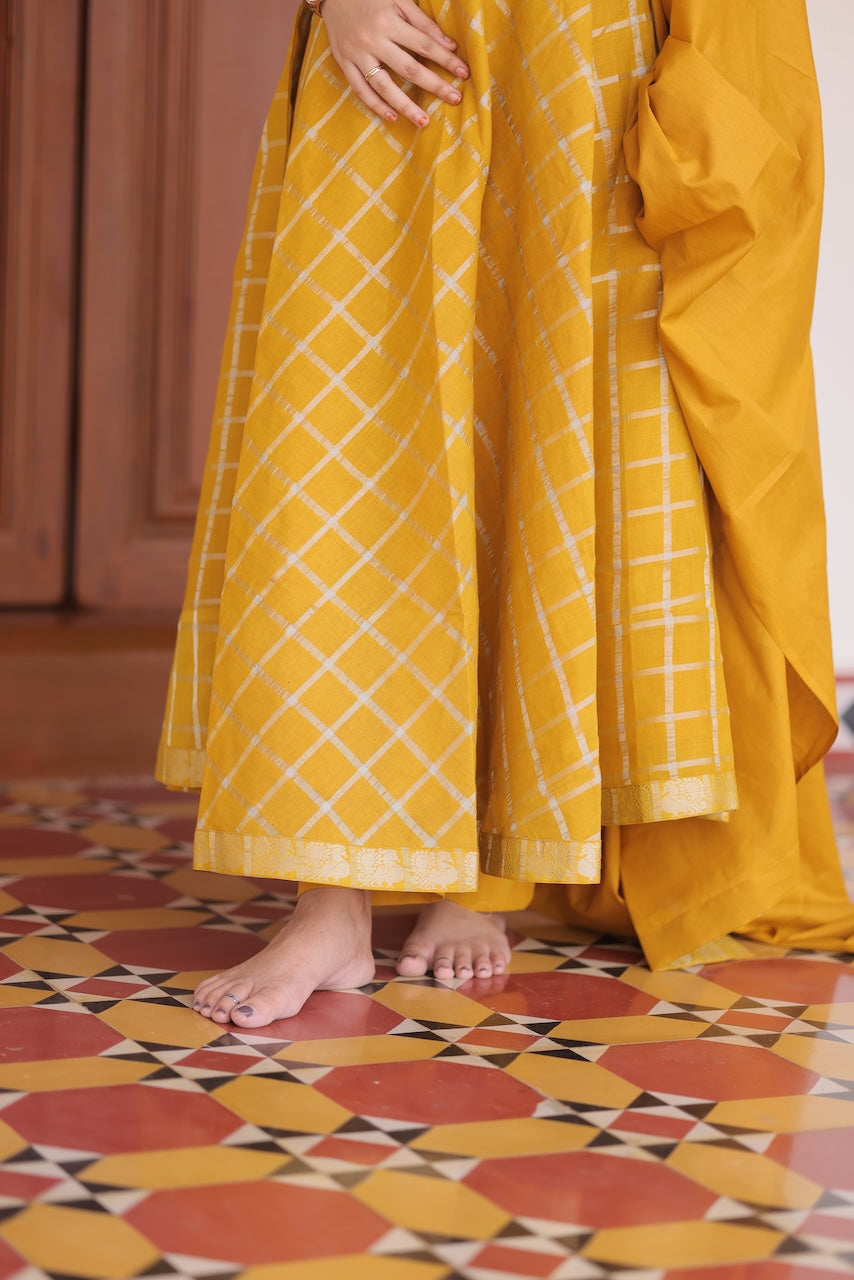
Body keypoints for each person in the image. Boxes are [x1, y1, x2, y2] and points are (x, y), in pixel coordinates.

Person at [157, 0, 854, 1029]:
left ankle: (481, 875)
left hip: (577, 62)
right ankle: (328, 907)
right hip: (390, 43)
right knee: (341, 448)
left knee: (540, 445)